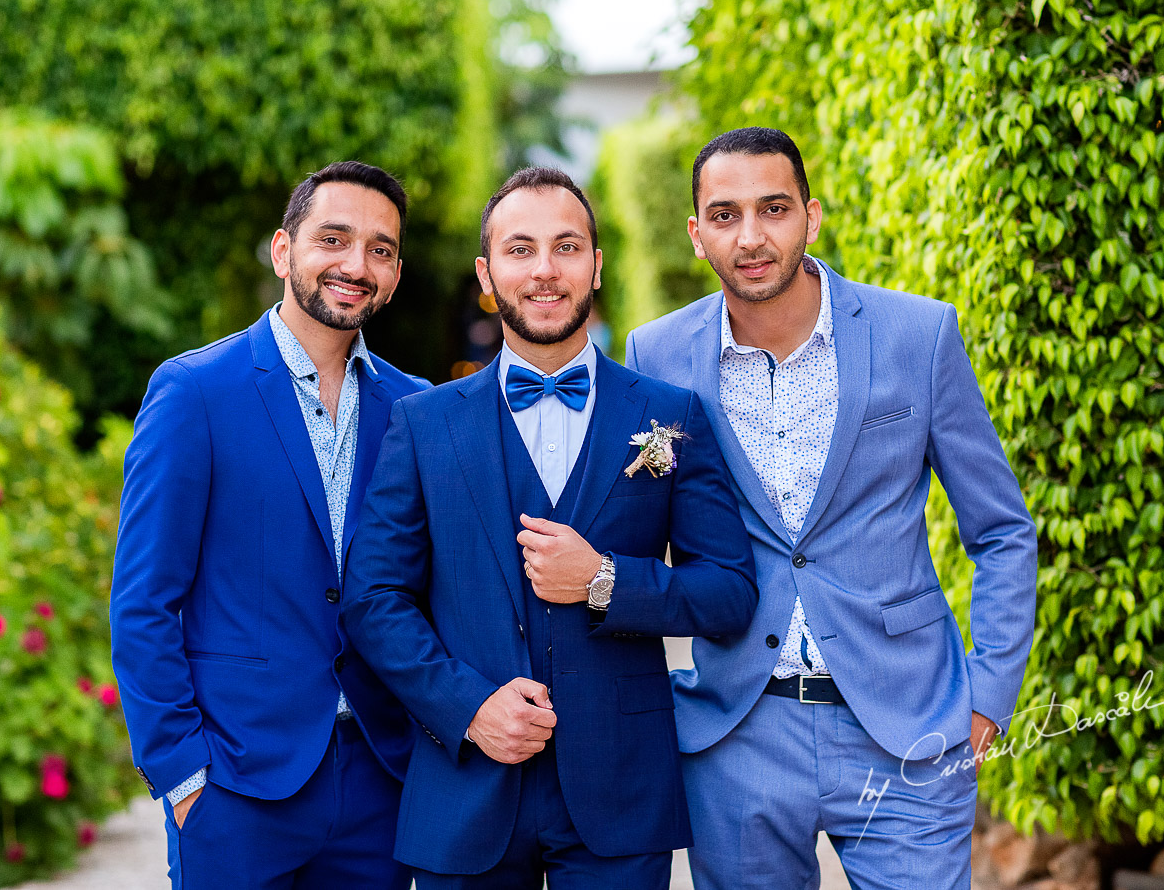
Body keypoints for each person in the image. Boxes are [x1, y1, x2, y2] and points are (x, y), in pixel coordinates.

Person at [626, 127, 1038, 890]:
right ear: (696, 234)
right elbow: (639, 538)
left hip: (907, 723)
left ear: (811, 218)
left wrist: (990, 698)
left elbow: (1002, 529)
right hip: (737, 735)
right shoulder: (658, 354)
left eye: (773, 208)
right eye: (724, 215)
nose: (751, 237)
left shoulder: (918, 335)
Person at [341, 166, 758, 889]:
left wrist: (605, 581)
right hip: (465, 787)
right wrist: (468, 706)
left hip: (621, 792)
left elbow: (727, 590)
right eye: (520, 249)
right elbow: (373, 598)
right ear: (488, 271)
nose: (544, 271)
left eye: (567, 248)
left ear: (596, 267)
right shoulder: (423, 423)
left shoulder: (669, 416)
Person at [110, 161, 430, 890]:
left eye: (380, 249)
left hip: (380, 785)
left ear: (397, 273)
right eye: (334, 239)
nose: (356, 264)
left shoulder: (417, 410)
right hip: (234, 786)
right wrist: (183, 777)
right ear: (284, 251)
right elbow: (143, 601)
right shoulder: (194, 392)